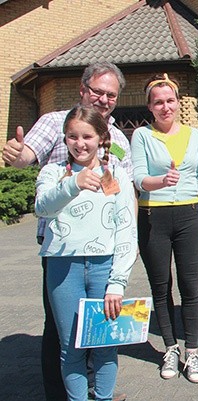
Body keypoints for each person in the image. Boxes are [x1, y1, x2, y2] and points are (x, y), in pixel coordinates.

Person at [2, 61, 131, 401]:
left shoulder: (117, 138)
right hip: (61, 248)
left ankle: (95, 391)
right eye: (98, 92)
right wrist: (15, 156)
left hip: (103, 249)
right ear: (83, 89)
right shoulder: (52, 122)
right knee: (61, 332)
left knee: (100, 334)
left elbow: (124, 190)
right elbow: (25, 158)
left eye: (111, 95)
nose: (103, 100)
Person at [35, 105, 137, 401]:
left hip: (103, 267)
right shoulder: (53, 172)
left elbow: (126, 230)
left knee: (105, 344)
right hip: (62, 269)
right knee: (71, 347)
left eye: (87, 136)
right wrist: (73, 184)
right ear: (65, 139)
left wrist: (117, 283)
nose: (80, 143)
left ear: (102, 138)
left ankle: (103, 398)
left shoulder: (114, 173)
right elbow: (42, 207)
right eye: (72, 137)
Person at [130, 74, 198, 382]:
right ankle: (170, 348)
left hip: (189, 217)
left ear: (178, 103)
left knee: (191, 287)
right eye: (158, 102)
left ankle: (192, 352)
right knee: (160, 287)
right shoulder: (142, 136)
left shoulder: (194, 135)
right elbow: (138, 178)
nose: (165, 107)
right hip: (154, 217)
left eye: (170, 101)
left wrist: (191, 196)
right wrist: (160, 183)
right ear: (150, 106)